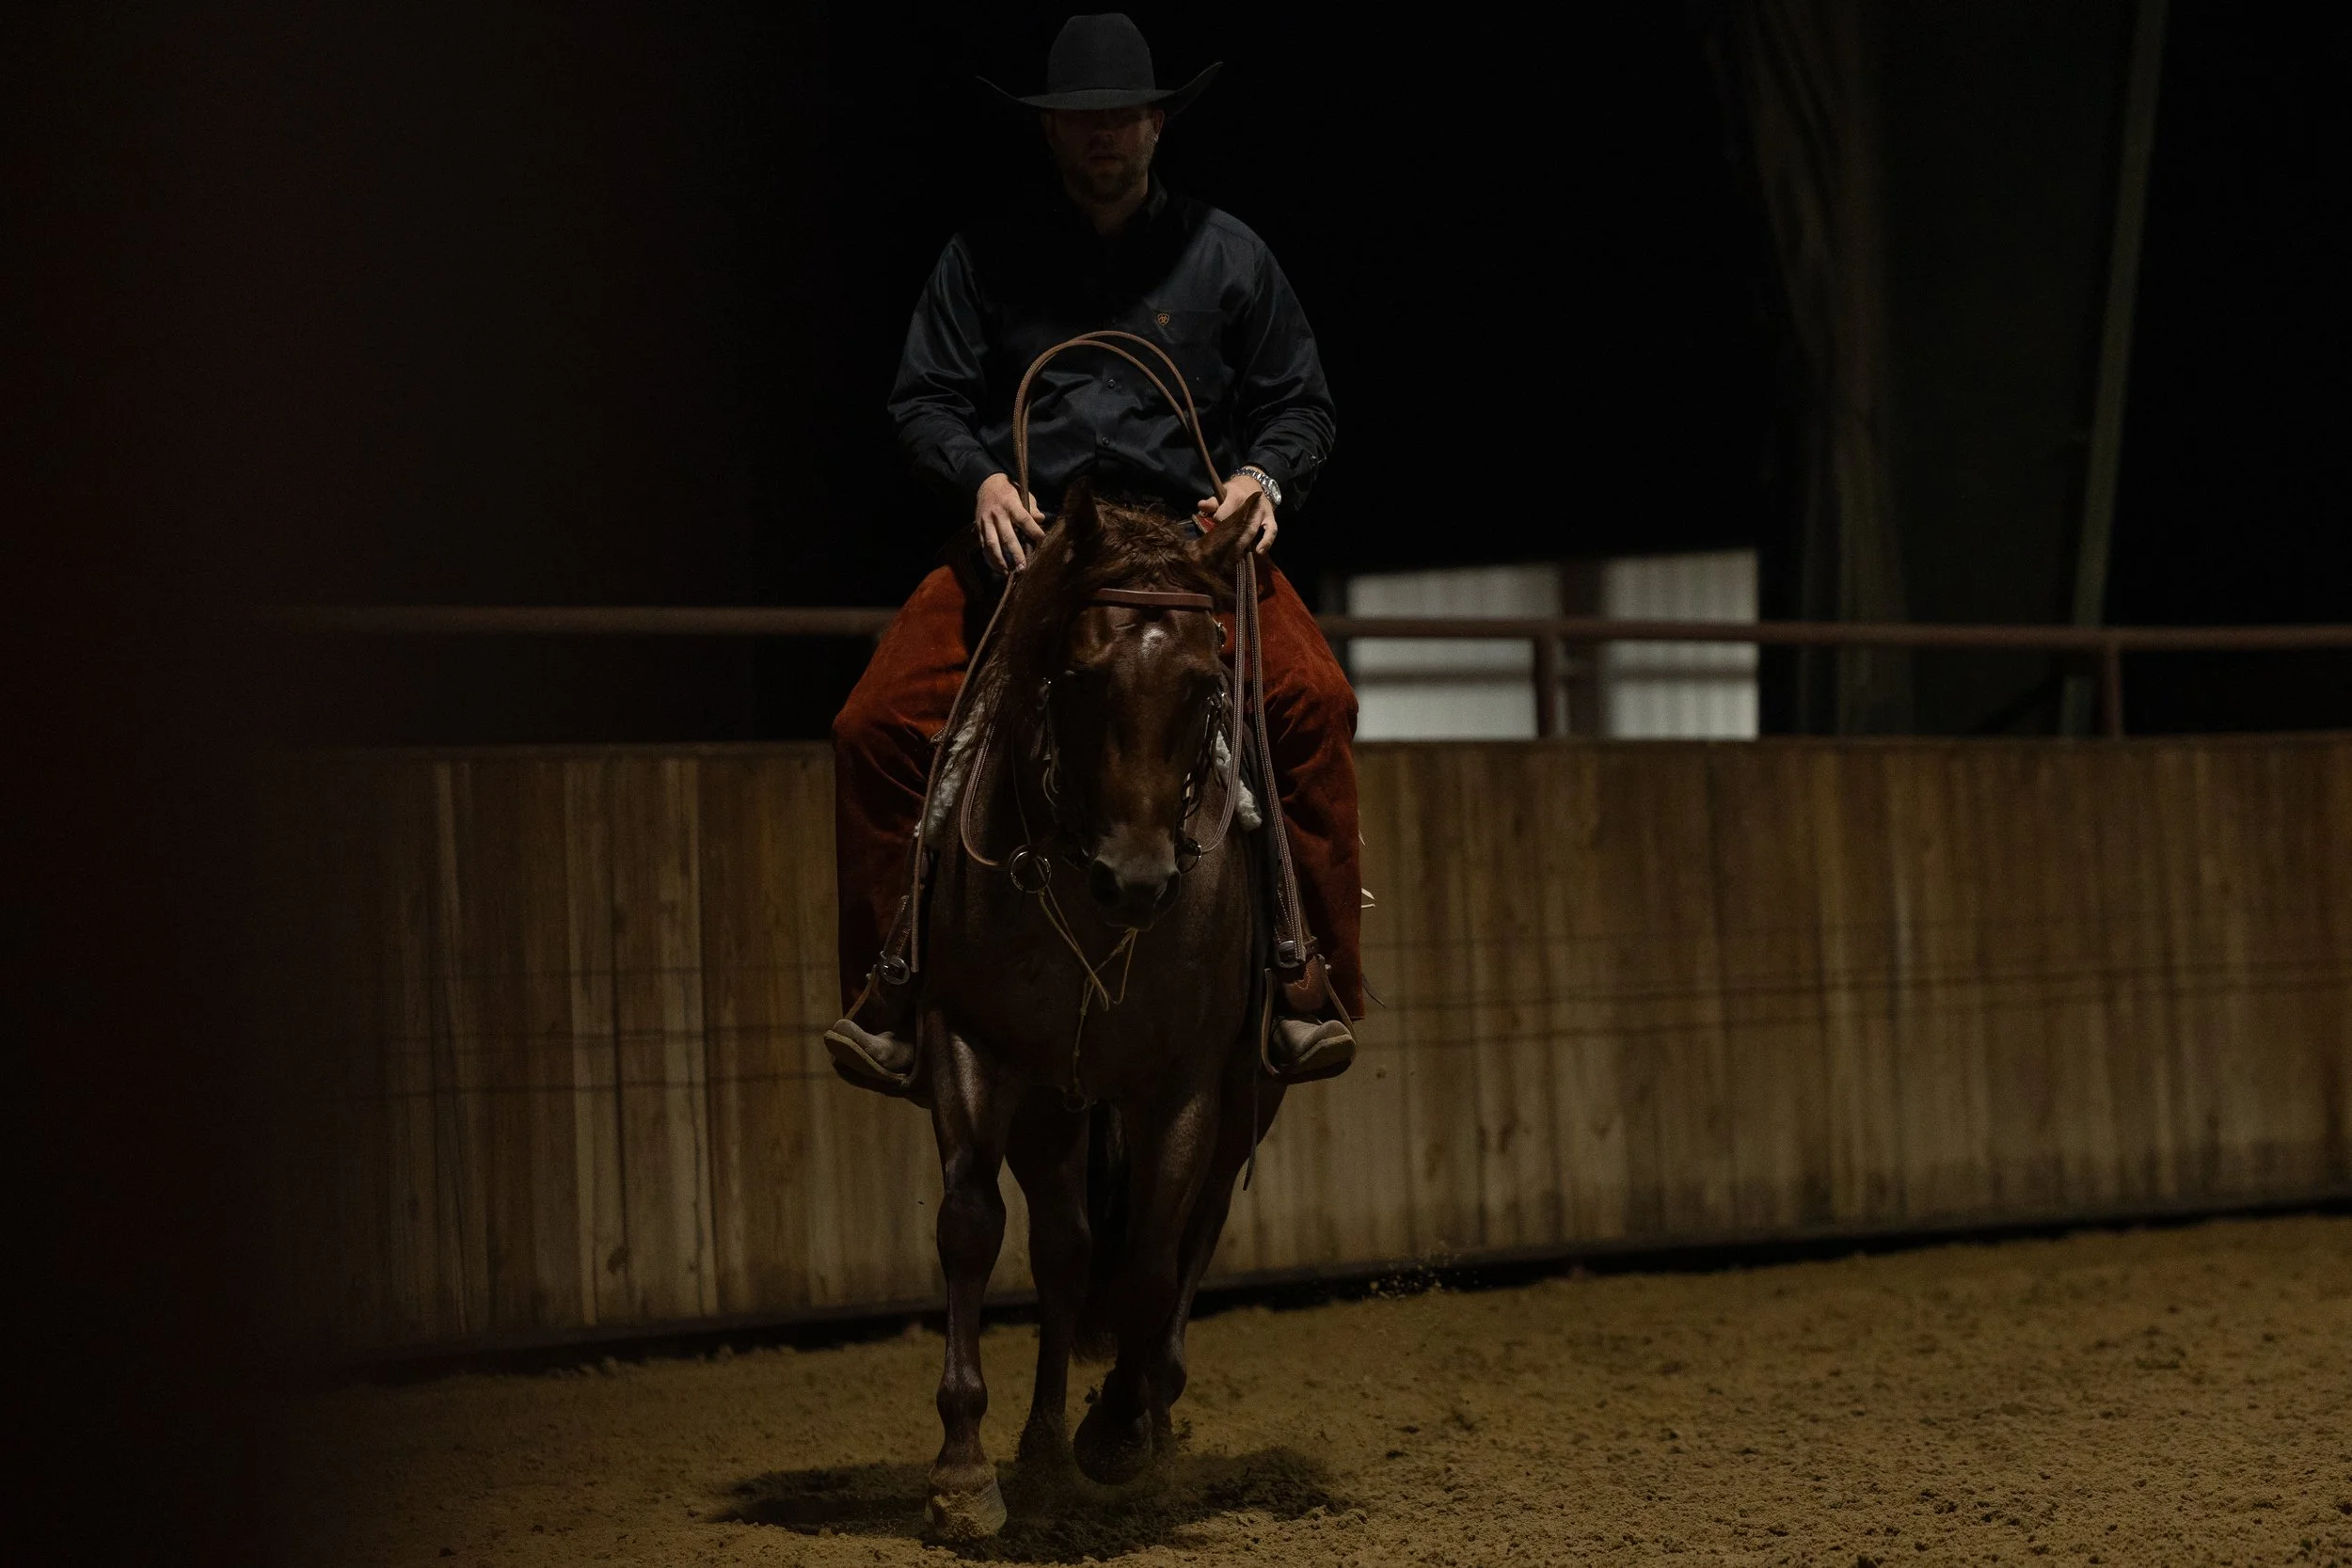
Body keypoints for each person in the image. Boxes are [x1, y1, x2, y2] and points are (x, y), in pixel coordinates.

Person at [826, 12, 1360, 1094]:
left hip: (1190, 543)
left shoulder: (1229, 254)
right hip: (1043, 543)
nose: (1103, 136)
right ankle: (889, 989)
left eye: (1122, 116)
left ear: (1158, 124)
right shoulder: (984, 255)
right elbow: (922, 396)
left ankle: (1313, 983)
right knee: (873, 724)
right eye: (1082, 121)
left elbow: (1300, 403)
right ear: (1051, 133)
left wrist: (1262, 480)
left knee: (1315, 703)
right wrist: (979, 478)